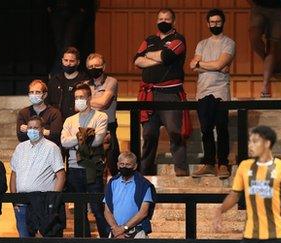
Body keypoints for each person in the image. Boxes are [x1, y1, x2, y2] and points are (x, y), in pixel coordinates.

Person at [134, 8, 191, 176]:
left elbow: (167, 57)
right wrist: (158, 59)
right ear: (156, 21)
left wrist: (150, 57)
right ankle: (145, 171)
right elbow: (137, 60)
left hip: (170, 94)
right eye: (160, 18)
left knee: (175, 133)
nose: (163, 21)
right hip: (149, 95)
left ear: (173, 22)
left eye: (167, 19)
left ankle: (181, 170)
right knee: (149, 134)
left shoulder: (178, 39)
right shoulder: (149, 40)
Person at [190, 8, 235, 179]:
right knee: (206, 129)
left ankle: (223, 163)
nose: (215, 24)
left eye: (218, 21)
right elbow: (193, 66)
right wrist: (215, 65)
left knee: (222, 128)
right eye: (212, 22)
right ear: (207, 23)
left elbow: (218, 64)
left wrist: (201, 64)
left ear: (223, 22)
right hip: (203, 91)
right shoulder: (202, 44)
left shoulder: (228, 42)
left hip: (220, 91)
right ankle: (208, 163)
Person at [61, 83, 109, 237]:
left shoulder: (101, 116)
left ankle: (106, 241)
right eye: (76, 98)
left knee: (97, 208)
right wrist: (83, 136)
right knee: (79, 209)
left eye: (81, 97)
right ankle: (83, 239)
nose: (78, 100)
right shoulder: (69, 120)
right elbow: (64, 142)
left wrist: (75, 139)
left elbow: (97, 141)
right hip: (74, 169)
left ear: (89, 98)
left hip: (92, 168)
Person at [10, 117, 66, 238]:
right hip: (22, 203)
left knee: (43, 241)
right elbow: (14, 174)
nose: (32, 130)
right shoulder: (20, 148)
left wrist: (52, 201)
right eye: (30, 128)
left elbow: (61, 175)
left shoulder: (52, 148)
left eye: (35, 128)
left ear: (42, 129)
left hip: (42, 203)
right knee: (24, 240)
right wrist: (14, 200)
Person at [248, 0, 281, 98]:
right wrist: (253, 4)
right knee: (254, 38)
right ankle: (271, 65)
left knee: (272, 46)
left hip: (279, 9)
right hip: (259, 7)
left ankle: (265, 87)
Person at [103, 152, 155, 239]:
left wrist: (123, 228)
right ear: (118, 165)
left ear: (135, 166)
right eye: (122, 164)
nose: (124, 167)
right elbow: (107, 211)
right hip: (115, 233)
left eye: (128, 165)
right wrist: (116, 230)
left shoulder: (144, 185)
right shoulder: (112, 183)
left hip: (137, 232)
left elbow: (143, 212)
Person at [86, 53, 120, 176]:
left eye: (96, 65)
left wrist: (87, 102)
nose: (93, 68)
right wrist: (95, 102)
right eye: (90, 67)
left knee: (112, 165)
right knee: (91, 168)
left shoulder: (111, 82)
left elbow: (104, 103)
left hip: (108, 128)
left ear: (103, 66)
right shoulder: (84, 84)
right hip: (89, 129)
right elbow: (77, 106)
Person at [47, 0, 89, 74]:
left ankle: (59, 73)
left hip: (75, 10)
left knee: (68, 43)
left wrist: (83, 7)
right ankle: (60, 74)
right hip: (57, 9)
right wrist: (49, 6)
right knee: (59, 44)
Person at [17, 80, 64, 146]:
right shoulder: (23, 113)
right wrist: (46, 132)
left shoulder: (54, 113)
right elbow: (21, 137)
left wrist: (29, 129)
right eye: (31, 92)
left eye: (37, 92)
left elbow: (55, 136)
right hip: (29, 149)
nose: (34, 95)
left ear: (45, 95)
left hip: (49, 149)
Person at [48, 46, 89, 120]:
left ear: (78, 62)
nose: (68, 64)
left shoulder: (85, 80)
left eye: (71, 61)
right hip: (58, 121)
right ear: (62, 60)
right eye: (66, 60)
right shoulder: (54, 80)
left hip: (79, 120)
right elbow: (48, 103)